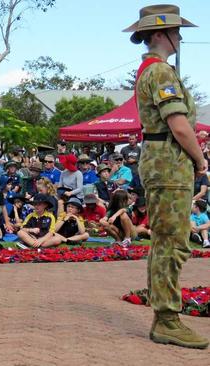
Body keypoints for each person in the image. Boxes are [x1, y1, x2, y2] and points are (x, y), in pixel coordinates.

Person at [126, 4, 209, 349]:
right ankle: (167, 319)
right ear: (160, 34)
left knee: (165, 242)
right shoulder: (160, 72)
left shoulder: (152, 71)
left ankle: (166, 316)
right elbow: (178, 124)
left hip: (163, 162)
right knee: (172, 244)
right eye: (176, 32)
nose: (179, 38)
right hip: (169, 164)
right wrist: (200, 160)